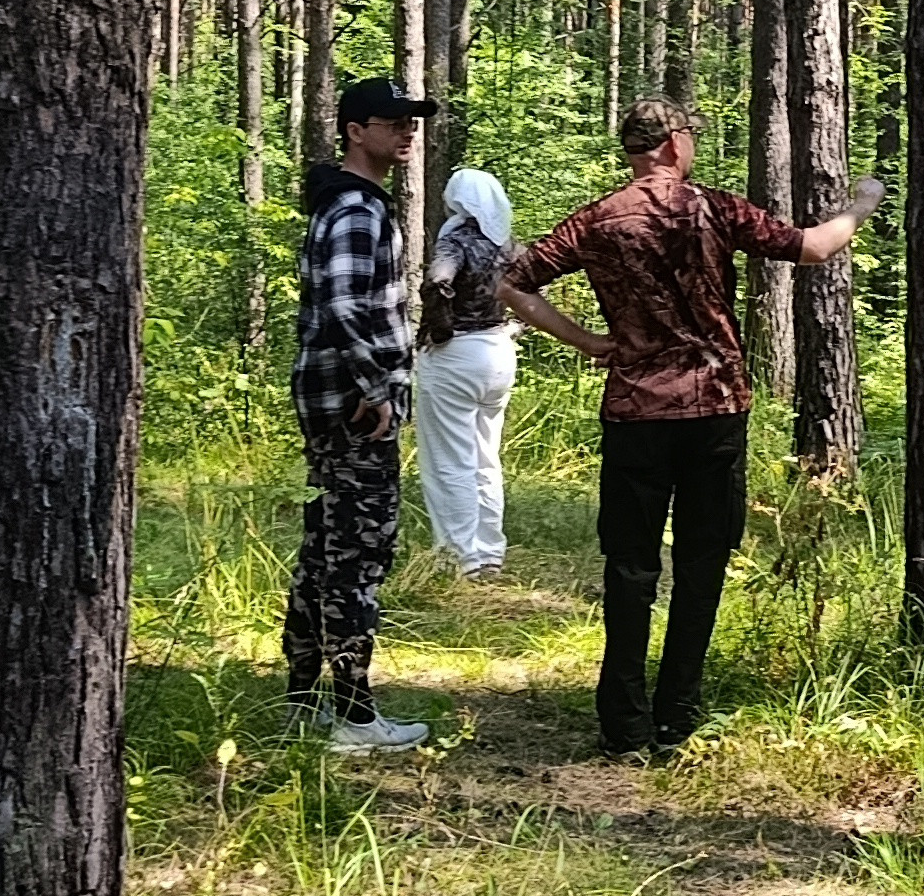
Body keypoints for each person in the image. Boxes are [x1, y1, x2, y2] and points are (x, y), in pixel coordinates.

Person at [510, 96, 886, 758]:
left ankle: (623, 725)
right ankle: (676, 714)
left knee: (629, 565)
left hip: (635, 412)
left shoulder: (597, 221)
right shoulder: (713, 207)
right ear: (672, 144)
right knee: (702, 561)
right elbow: (814, 248)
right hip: (714, 409)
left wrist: (588, 341)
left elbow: (511, 284)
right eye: (688, 137)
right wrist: (863, 202)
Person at [287, 77, 439, 751]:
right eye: (393, 122)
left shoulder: (350, 204)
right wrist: (376, 387)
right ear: (355, 130)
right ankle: (352, 714)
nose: (407, 133)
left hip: (337, 404)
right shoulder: (357, 210)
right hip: (353, 410)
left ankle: (300, 704)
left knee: (324, 550)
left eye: (411, 123)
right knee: (357, 555)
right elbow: (347, 306)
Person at [416, 165, 522, 575]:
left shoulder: (455, 243)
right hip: (498, 353)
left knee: (449, 460)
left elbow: (437, 282)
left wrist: (439, 328)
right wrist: (517, 325)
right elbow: (535, 286)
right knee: (485, 458)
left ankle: (459, 557)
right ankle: (490, 552)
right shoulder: (508, 245)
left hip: (456, 355)